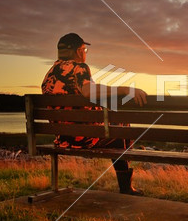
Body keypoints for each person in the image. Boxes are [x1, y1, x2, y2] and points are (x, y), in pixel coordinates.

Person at [41, 33, 147, 195]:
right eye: (84, 50)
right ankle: (126, 187)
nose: (84, 53)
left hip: (62, 139)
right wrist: (125, 89)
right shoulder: (79, 67)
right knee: (122, 129)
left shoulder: (49, 75)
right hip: (84, 138)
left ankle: (126, 187)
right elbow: (88, 91)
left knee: (118, 128)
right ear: (78, 50)